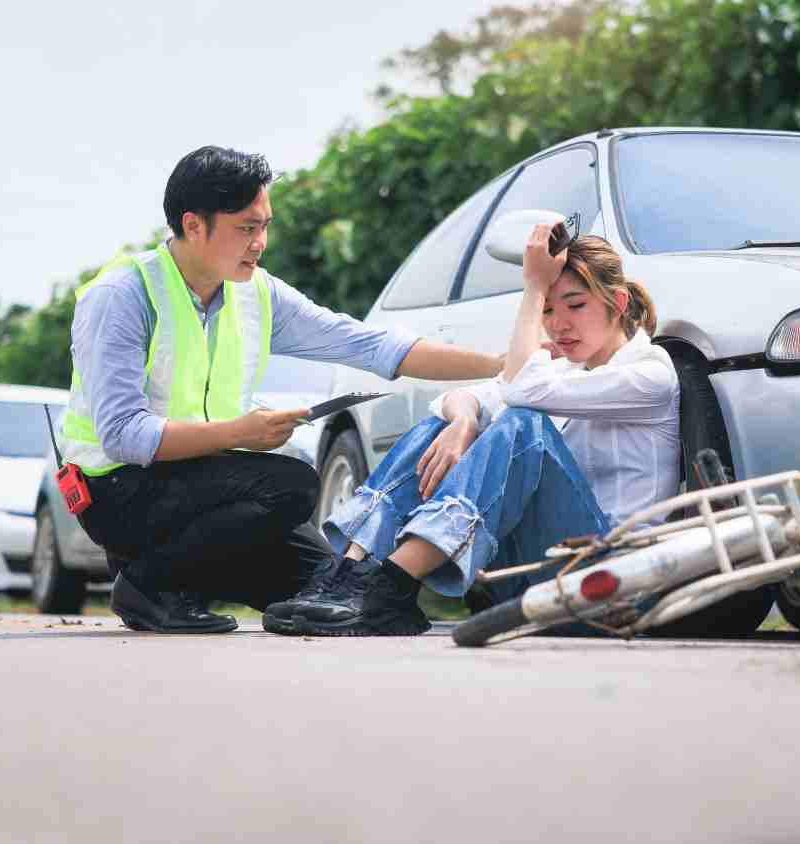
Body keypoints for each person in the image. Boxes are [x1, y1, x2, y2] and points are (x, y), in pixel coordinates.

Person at [61, 146, 502, 633]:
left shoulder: (256, 292)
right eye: (247, 228)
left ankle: (181, 581)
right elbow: (124, 435)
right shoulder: (122, 296)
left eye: (265, 226)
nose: (260, 242)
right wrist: (242, 433)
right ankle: (147, 586)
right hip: (118, 491)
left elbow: (368, 345)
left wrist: (500, 366)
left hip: (205, 495)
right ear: (193, 225)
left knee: (330, 585)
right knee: (292, 484)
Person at [264, 223, 680, 636]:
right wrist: (463, 421)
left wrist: (534, 288)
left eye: (575, 305)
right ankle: (350, 575)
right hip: (542, 574)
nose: (558, 325)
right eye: (548, 310)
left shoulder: (650, 374)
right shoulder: (566, 373)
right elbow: (453, 399)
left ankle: (390, 586)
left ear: (617, 302)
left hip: (611, 585)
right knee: (442, 427)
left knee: (524, 424)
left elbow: (520, 389)